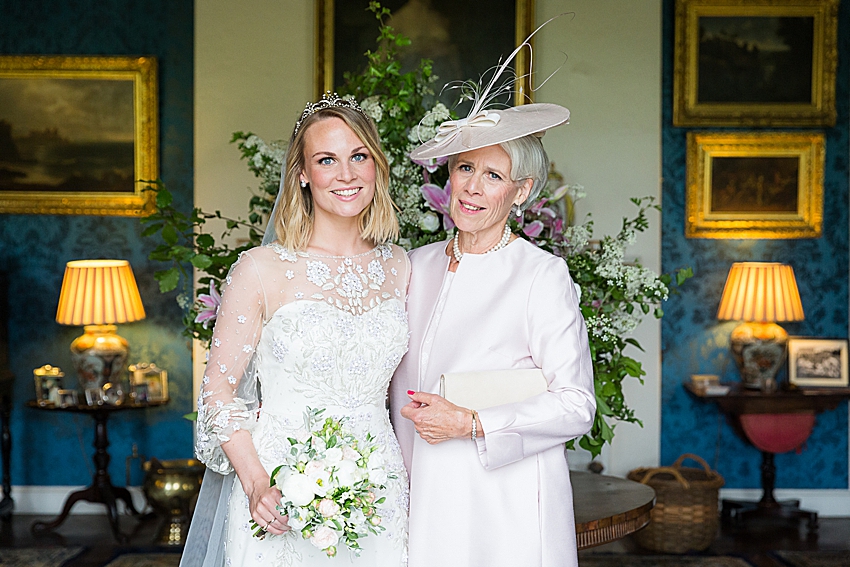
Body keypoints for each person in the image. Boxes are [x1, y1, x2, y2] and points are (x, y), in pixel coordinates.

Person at [181, 93, 410, 567]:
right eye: (327, 160)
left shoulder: (401, 267)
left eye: (358, 156)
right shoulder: (262, 269)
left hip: (382, 487)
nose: (345, 174)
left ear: (376, 166)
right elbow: (219, 391)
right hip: (280, 485)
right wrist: (255, 482)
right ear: (303, 174)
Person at [388, 93, 596, 565]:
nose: (472, 188)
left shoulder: (540, 275)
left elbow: (577, 405)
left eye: (493, 176)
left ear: (520, 191)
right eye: (464, 168)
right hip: (419, 491)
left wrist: (472, 423)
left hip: (504, 500)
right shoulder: (413, 267)